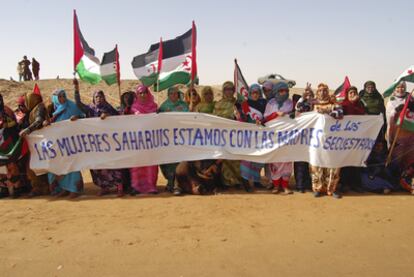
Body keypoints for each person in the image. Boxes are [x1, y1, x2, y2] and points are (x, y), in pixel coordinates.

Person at [74, 79, 125, 196]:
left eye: (101, 97)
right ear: (93, 98)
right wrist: (76, 89)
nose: (99, 99)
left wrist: (108, 115)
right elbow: (78, 104)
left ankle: (119, 187)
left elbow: (119, 118)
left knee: (113, 165)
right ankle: (104, 187)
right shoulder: (90, 109)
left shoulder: (109, 108)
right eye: (96, 97)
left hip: (110, 143)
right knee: (98, 166)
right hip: (95, 145)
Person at [46, 89, 85, 198]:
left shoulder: (71, 106)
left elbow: (83, 116)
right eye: (60, 97)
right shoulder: (53, 109)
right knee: (60, 164)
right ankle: (64, 188)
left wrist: (77, 118)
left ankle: (74, 189)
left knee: (72, 165)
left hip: (71, 142)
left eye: (63, 96)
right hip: (59, 143)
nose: (62, 98)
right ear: (55, 99)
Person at [311, 83, 343, 198]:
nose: (322, 92)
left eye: (325, 90)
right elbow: (299, 110)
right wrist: (304, 98)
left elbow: (340, 114)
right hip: (316, 141)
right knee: (317, 165)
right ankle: (318, 188)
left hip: (332, 141)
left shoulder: (334, 104)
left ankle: (331, 189)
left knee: (333, 165)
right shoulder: (312, 104)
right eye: (320, 90)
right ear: (317, 92)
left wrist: (327, 111)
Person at [18, 87, 50, 197]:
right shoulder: (31, 111)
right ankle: (39, 187)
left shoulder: (39, 107)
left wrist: (28, 130)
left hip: (42, 142)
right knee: (33, 165)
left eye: (23, 105)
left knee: (38, 165)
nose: (21, 108)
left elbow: (39, 121)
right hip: (34, 145)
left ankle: (43, 187)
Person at [263, 82, 294, 195]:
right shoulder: (270, 104)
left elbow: (294, 117)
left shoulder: (290, 103)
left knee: (286, 161)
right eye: (281, 91)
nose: (284, 93)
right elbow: (265, 119)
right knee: (275, 161)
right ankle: (276, 185)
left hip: (287, 138)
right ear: (276, 92)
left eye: (286, 91)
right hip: (274, 137)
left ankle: (285, 186)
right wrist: (276, 114)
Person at [213, 81, 243, 189]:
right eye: (226, 89)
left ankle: (237, 181)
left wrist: (237, 114)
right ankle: (227, 182)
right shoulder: (218, 104)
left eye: (231, 89)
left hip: (235, 136)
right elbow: (214, 119)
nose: (229, 92)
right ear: (223, 91)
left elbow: (242, 118)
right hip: (222, 136)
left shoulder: (238, 103)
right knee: (225, 159)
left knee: (236, 158)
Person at [129, 85, 158, 195]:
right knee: (137, 164)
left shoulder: (154, 107)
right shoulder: (133, 107)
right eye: (140, 93)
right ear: (137, 94)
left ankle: (151, 186)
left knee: (151, 164)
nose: (143, 95)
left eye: (145, 92)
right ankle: (136, 186)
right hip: (137, 141)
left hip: (151, 140)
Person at [158, 86, 189, 192]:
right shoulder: (163, 106)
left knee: (179, 161)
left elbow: (189, 118)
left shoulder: (183, 105)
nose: (173, 95)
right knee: (168, 162)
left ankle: (178, 184)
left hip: (181, 138)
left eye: (175, 93)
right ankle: (170, 182)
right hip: (168, 139)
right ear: (168, 95)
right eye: (171, 93)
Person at [0, 94, 30, 198]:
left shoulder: (6, 111)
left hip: (10, 141)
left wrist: (3, 124)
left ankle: (17, 188)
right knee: (1, 166)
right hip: (1, 142)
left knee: (11, 164)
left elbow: (12, 125)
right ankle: (3, 188)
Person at [238, 84, 267, 192]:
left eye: (257, 92)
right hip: (248, 134)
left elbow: (266, 117)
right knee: (247, 159)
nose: (255, 94)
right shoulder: (245, 104)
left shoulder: (263, 103)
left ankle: (256, 181)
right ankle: (245, 182)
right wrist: (239, 115)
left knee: (258, 158)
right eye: (253, 92)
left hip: (260, 134)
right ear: (250, 93)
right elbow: (243, 118)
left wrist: (262, 121)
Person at [340, 86, 366, 193]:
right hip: (345, 138)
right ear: (347, 94)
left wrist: (355, 103)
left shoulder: (360, 105)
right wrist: (352, 103)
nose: (352, 94)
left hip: (357, 139)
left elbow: (361, 115)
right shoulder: (344, 105)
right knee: (345, 161)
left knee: (355, 161)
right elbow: (348, 114)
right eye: (350, 92)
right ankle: (344, 184)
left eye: (354, 92)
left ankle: (354, 184)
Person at [387, 85, 414, 172]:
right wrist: (397, 110)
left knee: (407, 159)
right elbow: (390, 120)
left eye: (402, 87)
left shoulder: (410, 98)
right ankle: (392, 177)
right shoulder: (391, 101)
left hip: (409, 136)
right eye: (398, 87)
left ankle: (405, 177)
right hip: (397, 135)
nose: (400, 89)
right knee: (395, 159)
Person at [294, 83, 314, 192]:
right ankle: (300, 184)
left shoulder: (316, 105)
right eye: (307, 95)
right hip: (301, 136)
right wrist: (303, 97)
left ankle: (308, 183)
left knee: (310, 161)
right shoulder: (301, 104)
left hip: (313, 137)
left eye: (311, 95)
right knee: (300, 160)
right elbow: (297, 109)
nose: (309, 97)